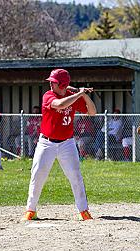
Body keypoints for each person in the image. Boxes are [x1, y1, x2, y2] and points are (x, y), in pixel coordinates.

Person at [21, 69, 97, 221]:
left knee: (75, 175)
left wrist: (84, 94)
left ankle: (83, 210)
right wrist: (77, 94)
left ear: (62, 85)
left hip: (67, 143)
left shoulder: (73, 96)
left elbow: (92, 112)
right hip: (46, 143)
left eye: (54, 82)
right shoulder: (49, 95)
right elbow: (60, 105)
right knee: (38, 174)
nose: (50, 84)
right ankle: (31, 209)